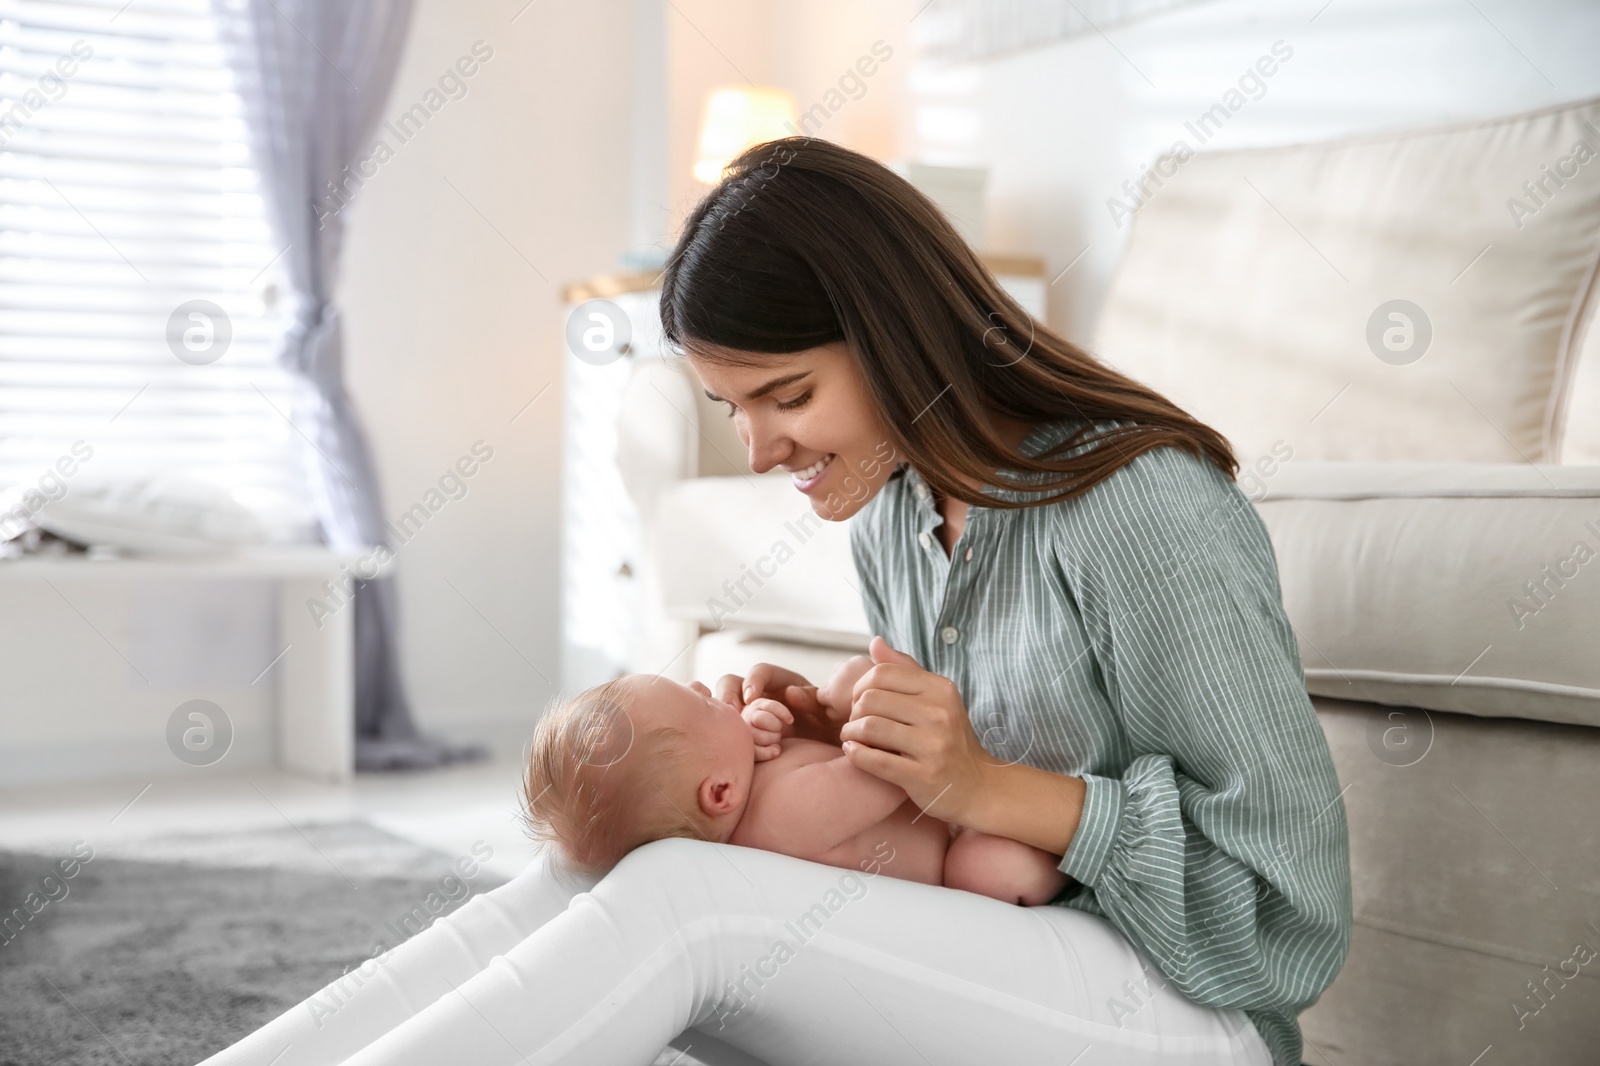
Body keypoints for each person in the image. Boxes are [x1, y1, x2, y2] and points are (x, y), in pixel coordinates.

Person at [198, 137, 1350, 1066]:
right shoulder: (903, 513)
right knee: (593, 863)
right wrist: (822, 742)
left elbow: (1288, 915)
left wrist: (982, 785)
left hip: (1184, 1010)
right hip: (1003, 954)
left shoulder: (1140, 505)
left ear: (897, 335)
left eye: (784, 394)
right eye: (730, 405)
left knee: (688, 906)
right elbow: (916, 813)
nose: (755, 450)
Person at [519, 657, 1071, 904]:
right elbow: (891, 772)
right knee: (993, 867)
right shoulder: (783, 813)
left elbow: (813, 755)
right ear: (720, 794)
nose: (706, 686)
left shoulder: (742, 794)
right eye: (702, 703)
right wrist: (860, 695)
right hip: (950, 856)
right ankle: (1069, 885)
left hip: (942, 818)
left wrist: (753, 733)